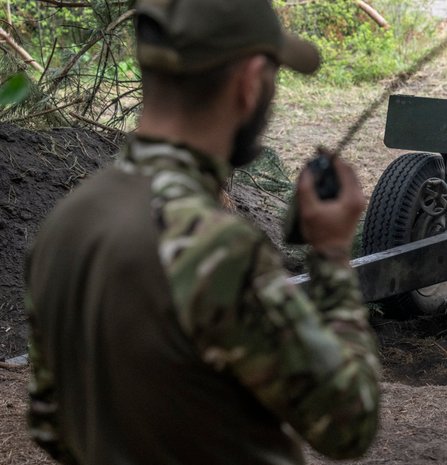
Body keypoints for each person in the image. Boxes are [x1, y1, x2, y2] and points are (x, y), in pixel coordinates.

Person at [24, 0, 380, 463]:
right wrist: (332, 255)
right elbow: (350, 424)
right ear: (251, 83)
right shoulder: (215, 247)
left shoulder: (64, 223)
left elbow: (49, 424)